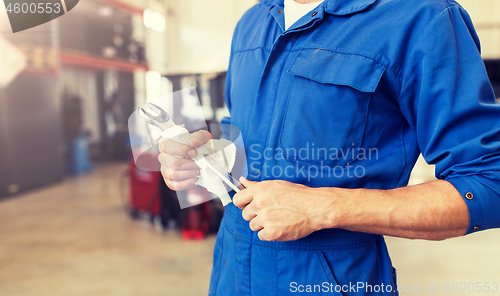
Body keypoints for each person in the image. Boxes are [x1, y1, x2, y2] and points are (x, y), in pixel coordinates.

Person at [159, 0, 500, 295]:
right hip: (231, 271)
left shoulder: (422, 18)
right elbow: (255, 150)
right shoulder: (252, 21)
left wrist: (324, 207)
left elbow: (489, 182)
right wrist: (202, 163)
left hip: (331, 279)